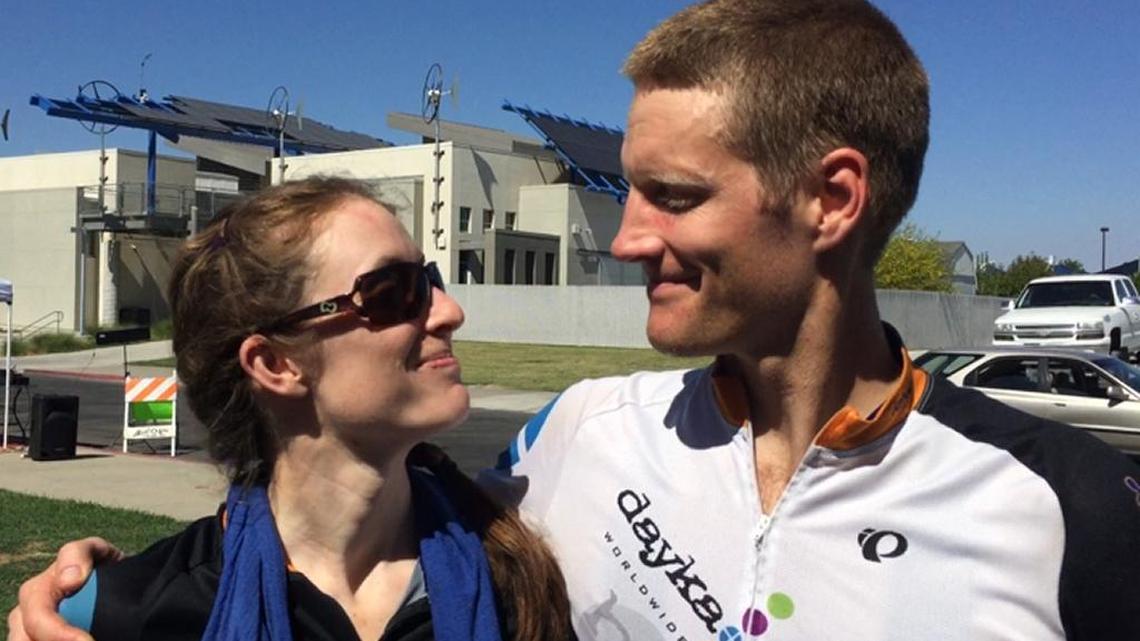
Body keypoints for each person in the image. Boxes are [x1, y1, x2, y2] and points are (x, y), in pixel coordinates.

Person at [10, 1, 1140, 640]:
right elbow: (331, 514)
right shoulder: (580, 438)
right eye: (630, 188)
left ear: (833, 200)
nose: (626, 235)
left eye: (676, 196)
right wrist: (104, 587)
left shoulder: (1062, 511)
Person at [7, 176, 572, 641]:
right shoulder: (127, 615)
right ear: (275, 364)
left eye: (431, 280)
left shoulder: (516, 580)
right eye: (393, 291)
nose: (449, 311)